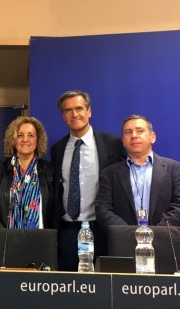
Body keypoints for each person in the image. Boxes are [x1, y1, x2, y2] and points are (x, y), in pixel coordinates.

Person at [51, 90, 125, 271]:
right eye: (68, 110)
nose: (74, 114)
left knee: (105, 287)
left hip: (102, 229)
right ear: (63, 116)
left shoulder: (113, 144)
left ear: (89, 111)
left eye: (79, 108)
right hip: (68, 231)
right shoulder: (57, 149)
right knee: (69, 286)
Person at [96, 115, 180, 233]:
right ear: (123, 141)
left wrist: (156, 233)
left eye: (140, 131)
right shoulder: (109, 173)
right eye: (128, 132)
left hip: (165, 241)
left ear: (152, 137)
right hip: (124, 243)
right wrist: (128, 233)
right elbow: (103, 209)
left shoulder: (174, 168)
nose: (134, 135)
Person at [0, 116, 54, 229]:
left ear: (37, 140)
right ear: (13, 140)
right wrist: (4, 235)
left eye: (31, 135)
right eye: (20, 135)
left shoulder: (49, 171)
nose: (25, 139)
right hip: (6, 240)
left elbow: (55, 209)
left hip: (40, 240)